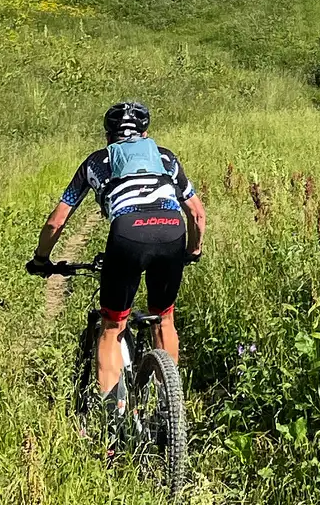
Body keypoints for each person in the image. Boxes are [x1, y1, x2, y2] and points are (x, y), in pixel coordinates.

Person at [27, 101, 207, 408]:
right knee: (164, 319)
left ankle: (112, 419)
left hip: (128, 232)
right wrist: (193, 249)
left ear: (108, 135)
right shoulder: (166, 158)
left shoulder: (95, 162)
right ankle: (169, 409)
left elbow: (57, 221)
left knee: (112, 326)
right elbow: (197, 214)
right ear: (145, 132)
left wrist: (41, 259)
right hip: (172, 229)